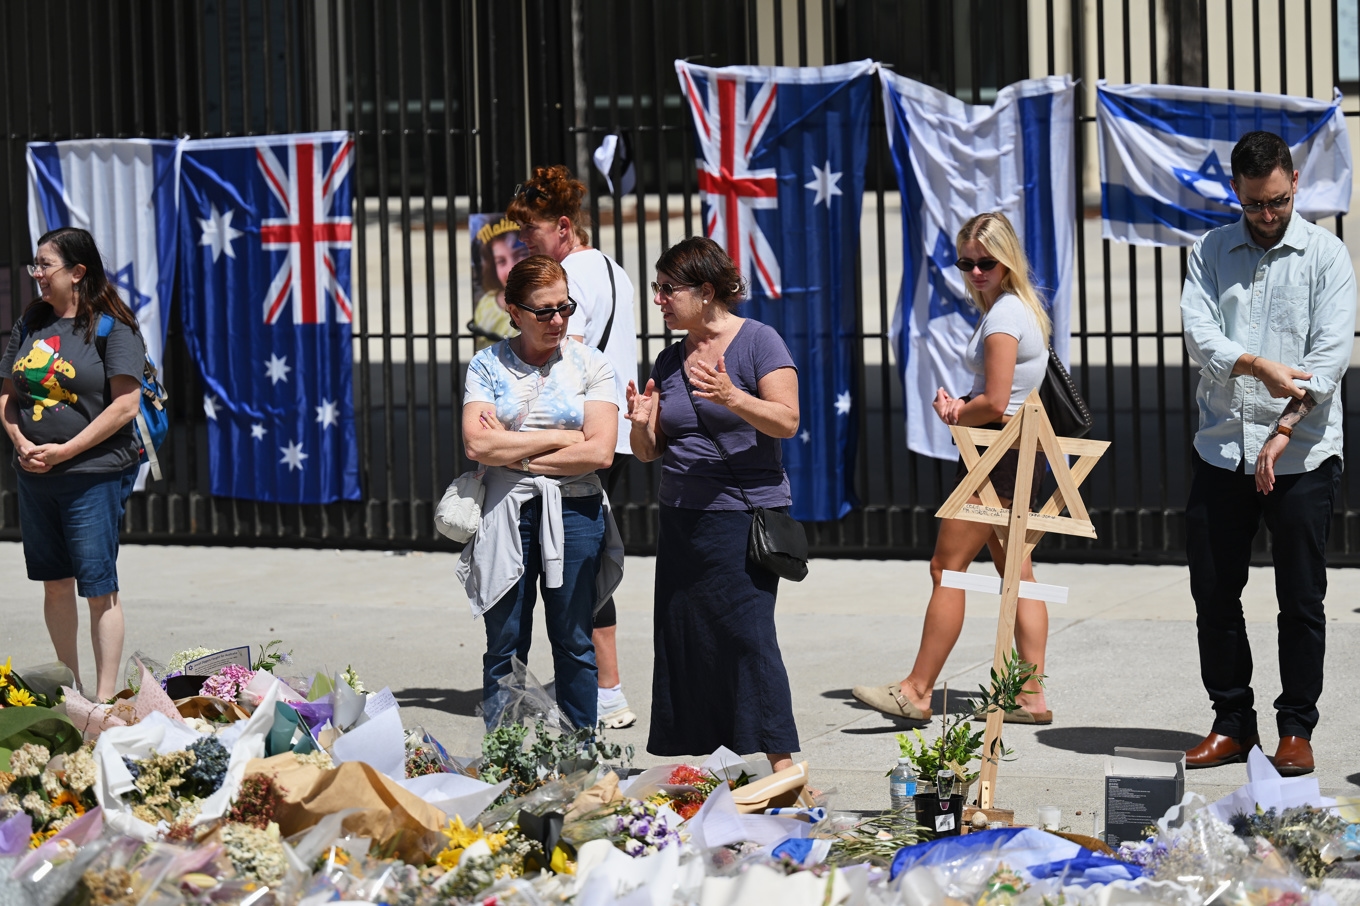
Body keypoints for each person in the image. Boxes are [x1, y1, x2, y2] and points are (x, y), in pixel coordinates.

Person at [1179, 131, 1354, 778]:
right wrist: (1252, 364)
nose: (1268, 215)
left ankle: (1296, 729)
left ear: (1296, 182)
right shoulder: (1209, 251)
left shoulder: (1326, 256)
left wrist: (1286, 427)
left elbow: (1330, 357)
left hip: (1302, 458)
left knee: (1301, 598)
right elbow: (1200, 336)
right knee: (1215, 592)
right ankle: (1231, 721)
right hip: (1222, 449)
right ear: (1237, 193)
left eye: (1277, 201)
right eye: (1255, 205)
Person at [852, 212, 1053, 725]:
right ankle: (1030, 697)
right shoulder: (1018, 309)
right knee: (1020, 576)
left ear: (1007, 261)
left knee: (948, 570)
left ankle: (917, 691)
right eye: (967, 263)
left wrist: (958, 410)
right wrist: (969, 404)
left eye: (987, 262)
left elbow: (998, 400)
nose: (976, 272)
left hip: (999, 456)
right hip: (1016, 451)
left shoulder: (1005, 318)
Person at [627, 236, 803, 772]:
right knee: (688, 642)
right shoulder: (670, 356)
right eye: (656, 289)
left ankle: (785, 770)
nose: (658, 299)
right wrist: (639, 425)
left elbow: (788, 421)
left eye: (666, 289)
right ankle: (709, 767)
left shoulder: (759, 343)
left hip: (741, 521)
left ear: (705, 292)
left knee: (748, 641)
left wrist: (733, 398)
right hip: (683, 522)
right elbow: (650, 451)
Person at [456, 255, 624, 731]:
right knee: (505, 644)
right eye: (543, 311)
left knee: (573, 641)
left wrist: (517, 454)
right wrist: (566, 437)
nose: (558, 320)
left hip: (575, 512)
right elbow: (476, 443)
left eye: (564, 308)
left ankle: (581, 764)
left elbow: (601, 453)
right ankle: (506, 765)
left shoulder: (592, 364)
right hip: (506, 514)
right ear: (513, 310)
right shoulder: (487, 364)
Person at [508, 165, 639, 729]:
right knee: (585, 562)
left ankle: (604, 689)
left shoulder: (570, 276)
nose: (524, 243)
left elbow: (570, 357)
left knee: (577, 564)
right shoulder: (615, 268)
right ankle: (602, 685)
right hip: (617, 432)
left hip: (585, 436)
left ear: (562, 227)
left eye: (531, 232)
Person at [0, 227, 145, 701]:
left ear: (77, 272)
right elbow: (7, 393)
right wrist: (20, 439)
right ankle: (72, 691)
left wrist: (65, 451)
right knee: (55, 585)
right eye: (35, 266)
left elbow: (125, 406)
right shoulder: (31, 323)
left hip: (91, 477)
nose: (37, 274)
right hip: (35, 476)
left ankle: (103, 703)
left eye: (46, 265)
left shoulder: (112, 327)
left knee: (99, 589)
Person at [469, 217, 529, 351]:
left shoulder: (544, 305)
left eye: (520, 255)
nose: (511, 268)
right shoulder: (486, 304)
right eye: (501, 261)